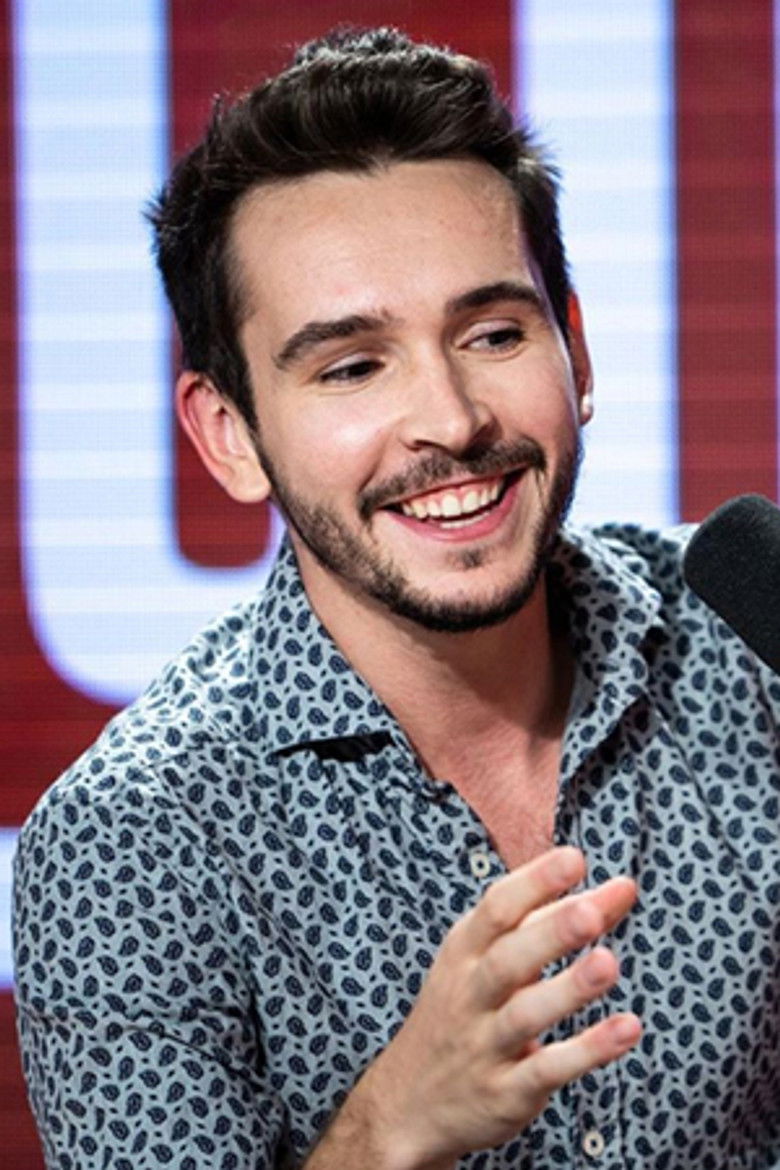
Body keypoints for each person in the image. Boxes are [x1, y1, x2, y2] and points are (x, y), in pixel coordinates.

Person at [12, 25, 780, 1170]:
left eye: (493, 333)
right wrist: (388, 1132)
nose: (452, 420)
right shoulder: (130, 843)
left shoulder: (752, 640)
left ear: (575, 350)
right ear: (229, 436)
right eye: (353, 367)